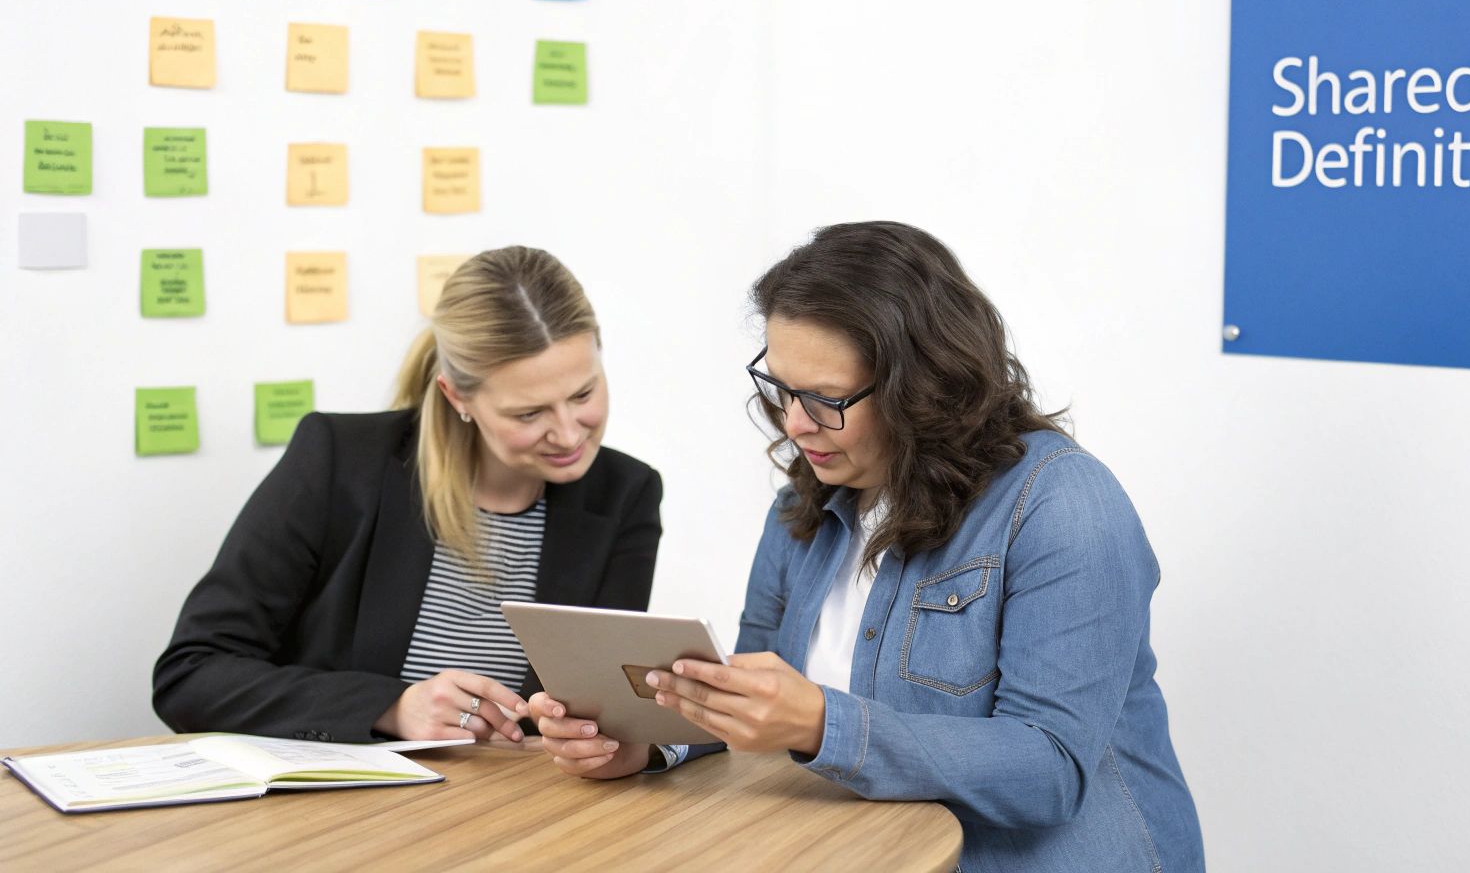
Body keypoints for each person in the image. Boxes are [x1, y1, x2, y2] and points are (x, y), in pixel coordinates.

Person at [530, 222, 1204, 869]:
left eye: (825, 399)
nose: (795, 424)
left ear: (924, 387)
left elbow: (1049, 769)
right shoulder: (806, 503)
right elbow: (750, 699)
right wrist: (648, 747)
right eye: (783, 390)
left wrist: (824, 724)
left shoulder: (1065, 506)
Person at [153, 245, 663, 746]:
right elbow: (191, 675)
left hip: (518, 813)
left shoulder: (626, 496)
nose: (570, 434)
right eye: (528, 414)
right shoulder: (340, 462)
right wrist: (390, 707)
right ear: (456, 396)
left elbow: (604, 711)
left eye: (583, 394)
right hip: (345, 813)